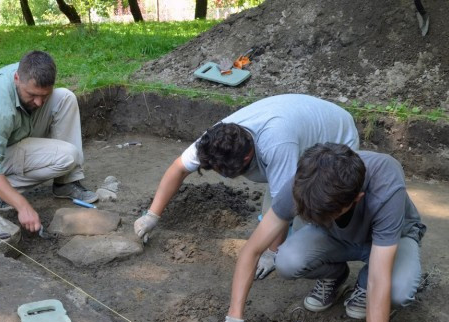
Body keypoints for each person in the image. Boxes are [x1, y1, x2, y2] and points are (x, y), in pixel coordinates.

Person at [218, 143, 426, 322]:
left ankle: (360, 285)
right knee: (287, 261)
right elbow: (252, 250)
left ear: (356, 199)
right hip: (336, 236)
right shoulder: (306, 180)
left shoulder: (386, 184)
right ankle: (333, 275)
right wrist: (234, 318)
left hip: (389, 240)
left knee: (397, 290)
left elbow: (380, 278)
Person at [133, 94, 359, 279]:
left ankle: (333, 275)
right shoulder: (215, 140)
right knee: (273, 217)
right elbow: (178, 169)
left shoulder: (276, 144)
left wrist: (272, 252)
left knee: (307, 229)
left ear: (248, 157)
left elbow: (286, 203)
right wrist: (152, 215)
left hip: (335, 141)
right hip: (299, 129)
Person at [0, 50, 96, 233]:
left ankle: (65, 183)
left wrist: (38, 97)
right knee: (68, 155)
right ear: (17, 78)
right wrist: (23, 206)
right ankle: (0, 191)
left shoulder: (29, 71)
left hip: (17, 130)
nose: (39, 103)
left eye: (44, 95)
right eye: (32, 95)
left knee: (65, 98)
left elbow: (40, 98)